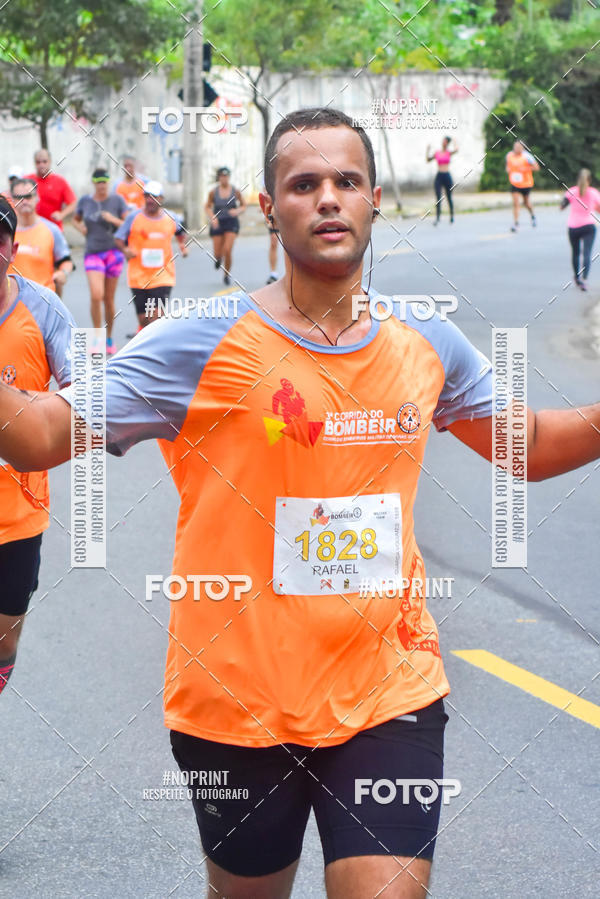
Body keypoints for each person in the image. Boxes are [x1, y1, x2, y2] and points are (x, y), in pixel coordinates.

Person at [1, 108, 599, 898]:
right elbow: (40, 433)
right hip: (236, 702)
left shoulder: (425, 343)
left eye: (346, 181)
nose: (328, 198)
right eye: (304, 183)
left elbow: (526, 446)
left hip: (389, 689)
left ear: (374, 200)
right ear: (268, 204)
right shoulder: (199, 341)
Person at [0, 198, 74, 698]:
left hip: (17, 515)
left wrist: (30, 414)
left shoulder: (43, 308)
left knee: (5, 638)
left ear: (12, 246)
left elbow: (88, 391)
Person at [114, 181, 188, 330]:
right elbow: (119, 238)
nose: (149, 200)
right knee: (144, 319)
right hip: (138, 276)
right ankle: (144, 335)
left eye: (153, 196)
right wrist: (126, 250)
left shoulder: (171, 217)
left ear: (161, 199)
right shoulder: (133, 217)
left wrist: (182, 246)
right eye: (146, 196)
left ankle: (157, 349)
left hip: (163, 276)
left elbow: (181, 233)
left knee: (156, 316)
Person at [72, 168, 127, 355]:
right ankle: (97, 337)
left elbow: (128, 225)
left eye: (105, 181)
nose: (102, 185)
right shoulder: (85, 201)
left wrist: (113, 219)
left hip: (113, 253)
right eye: (99, 182)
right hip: (93, 253)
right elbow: (75, 219)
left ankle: (109, 337)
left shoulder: (117, 200)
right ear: (94, 183)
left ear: (108, 182)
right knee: (96, 295)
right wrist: (82, 229)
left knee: (108, 299)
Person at [8, 178, 74, 295]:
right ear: (12, 200)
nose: (24, 201)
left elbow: (66, 261)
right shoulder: (5, 231)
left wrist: (63, 273)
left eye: (29, 196)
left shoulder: (52, 230)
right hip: (11, 304)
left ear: (37, 197)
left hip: (42, 303)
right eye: (19, 197)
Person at [560, 168, 600, 291]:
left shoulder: (571, 191)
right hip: (588, 226)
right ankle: (584, 279)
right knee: (587, 253)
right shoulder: (593, 192)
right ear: (589, 180)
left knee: (575, 253)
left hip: (573, 227)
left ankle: (577, 278)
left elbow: (562, 206)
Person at [205, 167, 246, 285]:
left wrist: (237, 211)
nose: (224, 178)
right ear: (219, 178)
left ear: (229, 177)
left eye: (226, 176)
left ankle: (226, 274)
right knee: (218, 253)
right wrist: (212, 217)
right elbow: (207, 206)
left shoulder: (235, 191)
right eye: (222, 176)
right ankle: (218, 258)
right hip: (218, 222)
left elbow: (243, 205)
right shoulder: (213, 192)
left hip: (231, 222)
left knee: (228, 249)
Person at [26, 149, 77, 232]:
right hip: (32, 231)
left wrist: (61, 214)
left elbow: (73, 203)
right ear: (34, 163)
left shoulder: (60, 181)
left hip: (54, 230)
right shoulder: (26, 181)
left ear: (50, 162)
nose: (41, 165)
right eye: (38, 162)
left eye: (44, 161)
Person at [506, 140, 539, 231]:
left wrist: (525, 168)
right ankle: (516, 224)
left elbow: (536, 167)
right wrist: (508, 169)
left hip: (526, 183)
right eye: (515, 147)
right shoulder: (509, 155)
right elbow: (508, 166)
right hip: (515, 183)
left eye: (518, 147)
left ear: (523, 148)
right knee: (516, 203)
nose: (516, 149)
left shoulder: (527, 156)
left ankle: (532, 215)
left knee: (526, 203)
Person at [426, 136, 458, 224]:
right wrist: (427, 150)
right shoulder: (437, 153)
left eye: (445, 141)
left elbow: (456, 149)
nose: (443, 143)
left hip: (447, 176)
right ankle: (437, 218)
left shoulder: (449, 152)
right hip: (439, 176)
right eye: (442, 141)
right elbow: (428, 160)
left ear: (447, 143)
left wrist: (454, 141)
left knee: (449, 196)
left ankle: (451, 216)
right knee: (438, 198)